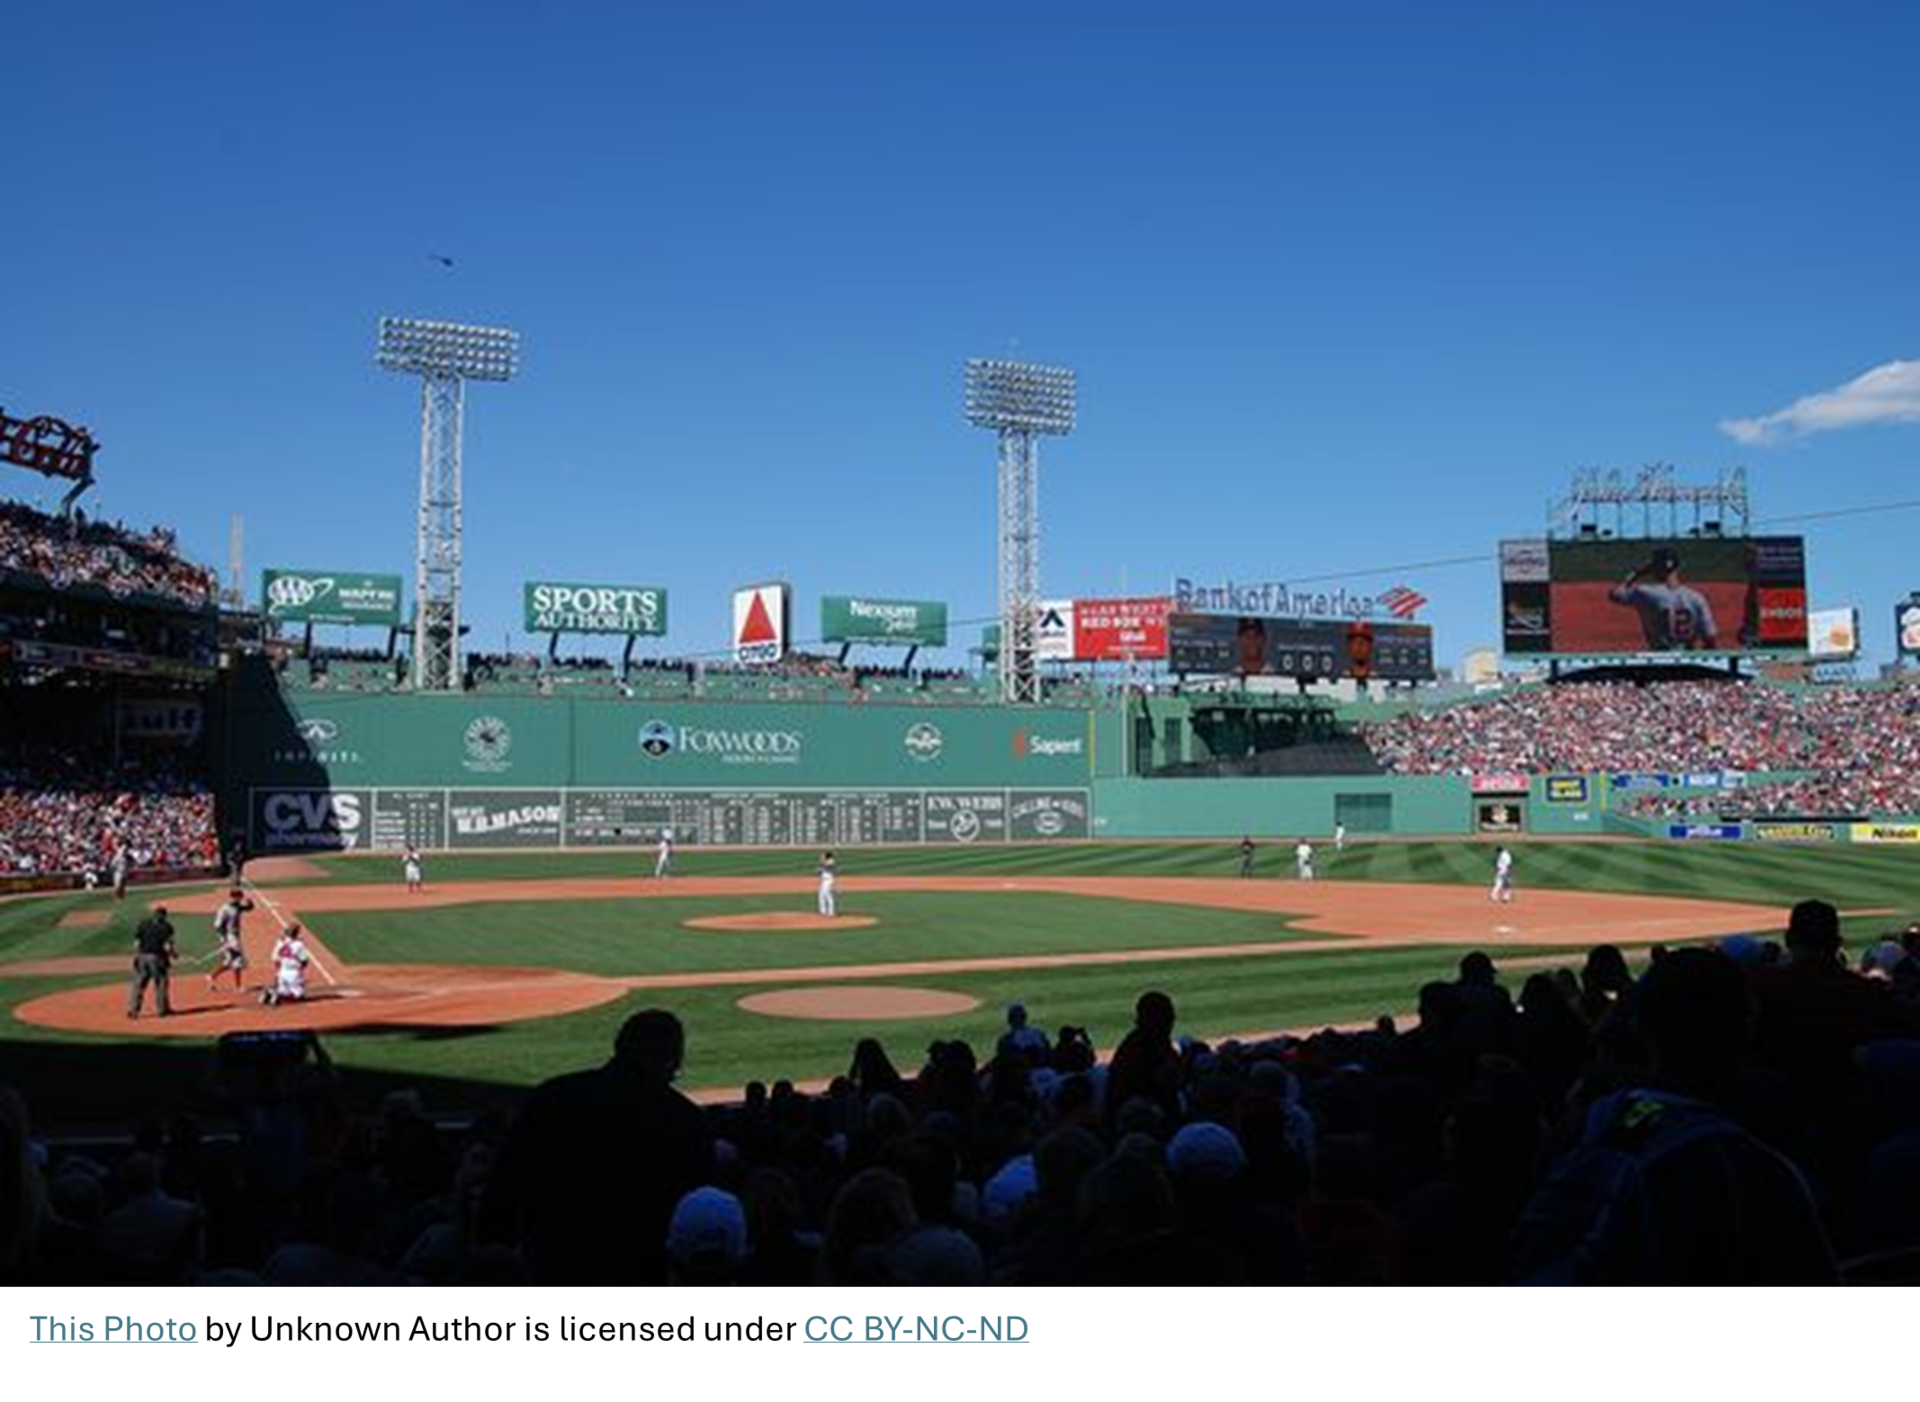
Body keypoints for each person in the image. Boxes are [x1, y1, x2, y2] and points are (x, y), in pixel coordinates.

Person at [480, 1009, 715, 1284]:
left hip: (552, 1267)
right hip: (640, 1273)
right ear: (674, 1060)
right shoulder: (686, 1119)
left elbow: (502, 1188)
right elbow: (697, 1215)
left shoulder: (552, 1096)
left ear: (619, 1046)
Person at [1608, 547, 1719, 651]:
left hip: (1659, 661)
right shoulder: (1697, 598)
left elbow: (1614, 593)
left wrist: (1637, 573)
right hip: (1687, 661)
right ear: (1677, 568)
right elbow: (1710, 640)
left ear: (1654, 569)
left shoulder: (1646, 594)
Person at [127, 906, 177, 1019]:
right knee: (161, 984)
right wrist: (174, 955)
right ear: (164, 916)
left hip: (142, 957)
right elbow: (167, 946)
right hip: (157, 958)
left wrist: (137, 957)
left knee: (139, 985)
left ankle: (133, 1010)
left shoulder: (143, 924)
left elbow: (136, 943)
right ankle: (162, 1009)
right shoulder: (166, 927)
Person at [207, 888, 254, 992]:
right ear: (234, 897)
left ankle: (212, 976)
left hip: (235, 936)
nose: (241, 899)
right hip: (229, 937)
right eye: (239, 897)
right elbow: (218, 926)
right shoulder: (224, 909)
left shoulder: (237, 907)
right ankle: (238, 986)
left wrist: (250, 903)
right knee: (238, 960)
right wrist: (225, 941)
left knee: (229, 962)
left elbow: (249, 908)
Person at [263, 924, 312, 1006]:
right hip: (294, 972)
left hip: (282, 971)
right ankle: (277, 996)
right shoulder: (299, 944)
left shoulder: (280, 942)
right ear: (296, 933)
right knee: (299, 996)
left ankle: (270, 993)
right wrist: (301, 969)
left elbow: (275, 959)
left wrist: (278, 971)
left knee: (284, 991)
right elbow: (305, 960)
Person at [817, 850, 838, 918]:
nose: (822, 856)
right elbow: (821, 870)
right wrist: (821, 867)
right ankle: (823, 911)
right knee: (821, 895)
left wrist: (822, 862)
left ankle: (831, 912)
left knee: (828, 896)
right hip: (824, 881)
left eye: (824, 855)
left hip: (828, 881)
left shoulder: (831, 861)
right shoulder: (826, 861)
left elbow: (827, 867)